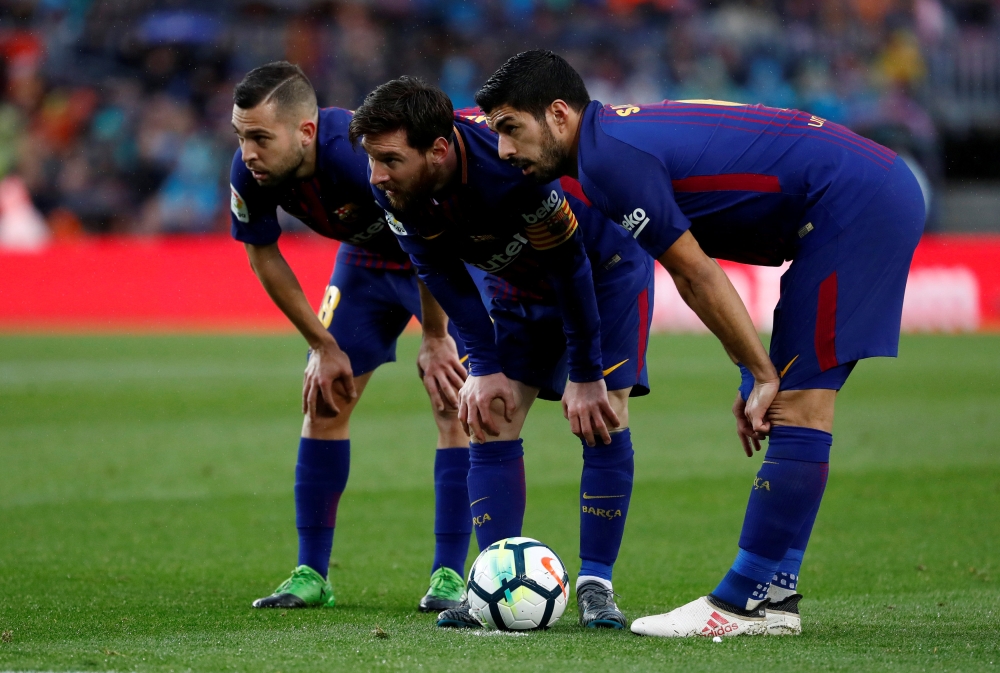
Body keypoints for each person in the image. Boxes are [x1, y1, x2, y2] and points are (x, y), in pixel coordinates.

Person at [475, 50, 924, 638]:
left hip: (852, 203)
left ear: (558, 115)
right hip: (859, 192)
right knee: (792, 404)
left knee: (798, 405)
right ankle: (774, 592)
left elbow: (696, 274)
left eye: (511, 129)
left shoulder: (607, 161)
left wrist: (761, 374)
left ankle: (745, 602)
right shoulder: (615, 139)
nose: (504, 150)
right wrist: (750, 372)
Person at [348, 78, 656, 630]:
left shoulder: (506, 170)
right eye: (371, 160)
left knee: (601, 416)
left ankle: (596, 586)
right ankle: (492, 580)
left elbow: (571, 269)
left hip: (603, 272)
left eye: (389, 159)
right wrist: (483, 366)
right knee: (488, 416)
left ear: (438, 150)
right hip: (517, 282)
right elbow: (438, 271)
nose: (376, 176)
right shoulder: (393, 186)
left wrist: (585, 373)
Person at [229, 62, 474, 613]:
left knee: (453, 402)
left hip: (436, 259)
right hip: (365, 264)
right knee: (325, 400)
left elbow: (429, 234)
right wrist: (322, 345)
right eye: (241, 136)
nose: (247, 152)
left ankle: (450, 576)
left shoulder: (355, 155)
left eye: (260, 138)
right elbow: (262, 253)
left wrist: (435, 337)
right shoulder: (251, 171)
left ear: (307, 132)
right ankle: (311, 573)